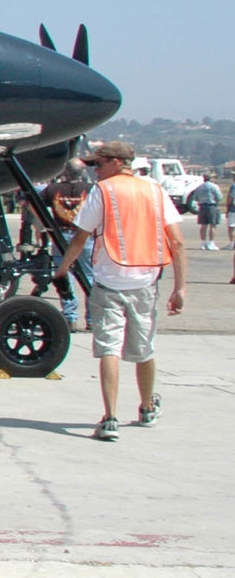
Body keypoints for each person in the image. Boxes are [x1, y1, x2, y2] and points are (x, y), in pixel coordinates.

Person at [52, 141, 187, 442]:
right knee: (143, 349)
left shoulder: (104, 191)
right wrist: (180, 288)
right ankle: (147, 408)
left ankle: (110, 418)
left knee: (109, 348)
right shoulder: (155, 190)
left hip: (109, 281)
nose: (95, 172)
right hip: (145, 281)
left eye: (98, 165)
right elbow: (177, 241)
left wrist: (62, 271)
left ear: (115, 163)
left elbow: (80, 237)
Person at [41, 159, 95, 327]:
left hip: (61, 235)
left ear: (65, 172)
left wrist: (45, 224)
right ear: (82, 173)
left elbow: (32, 204)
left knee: (65, 274)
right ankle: (92, 319)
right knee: (89, 275)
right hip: (84, 235)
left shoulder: (53, 189)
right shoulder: (91, 190)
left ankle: (70, 315)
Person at [188, 178, 223, 251]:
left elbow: (194, 197)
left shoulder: (199, 187)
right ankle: (211, 243)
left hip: (202, 206)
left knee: (203, 225)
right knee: (212, 225)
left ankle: (203, 243)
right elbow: (219, 197)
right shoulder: (214, 186)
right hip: (211, 206)